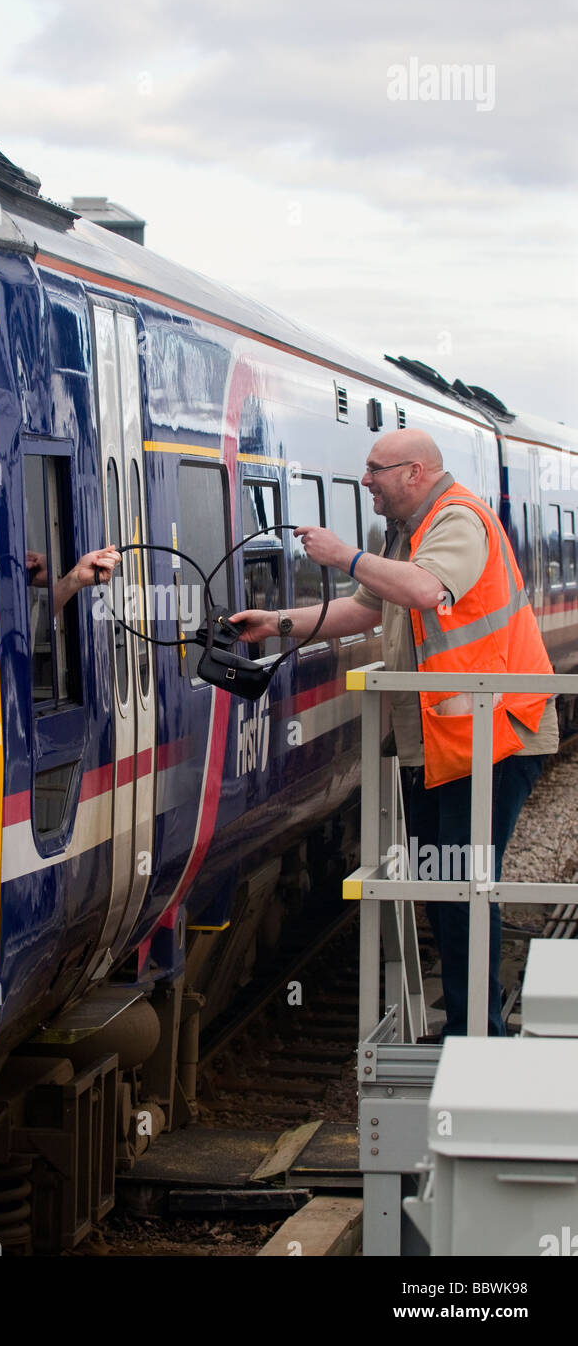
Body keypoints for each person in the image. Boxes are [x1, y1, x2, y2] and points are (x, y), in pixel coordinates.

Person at [230, 428, 557, 1038]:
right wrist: (276, 622)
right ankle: (469, 1021)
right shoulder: (409, 533)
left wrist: (342, 554)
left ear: (413, 472)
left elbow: (426, 591)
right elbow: (368, 608)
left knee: (461, 881)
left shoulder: (458, 520)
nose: (366, 480)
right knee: (444, 880)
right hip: (447, 741)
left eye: (376, 469)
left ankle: (475, 1030)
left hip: (495, 737)